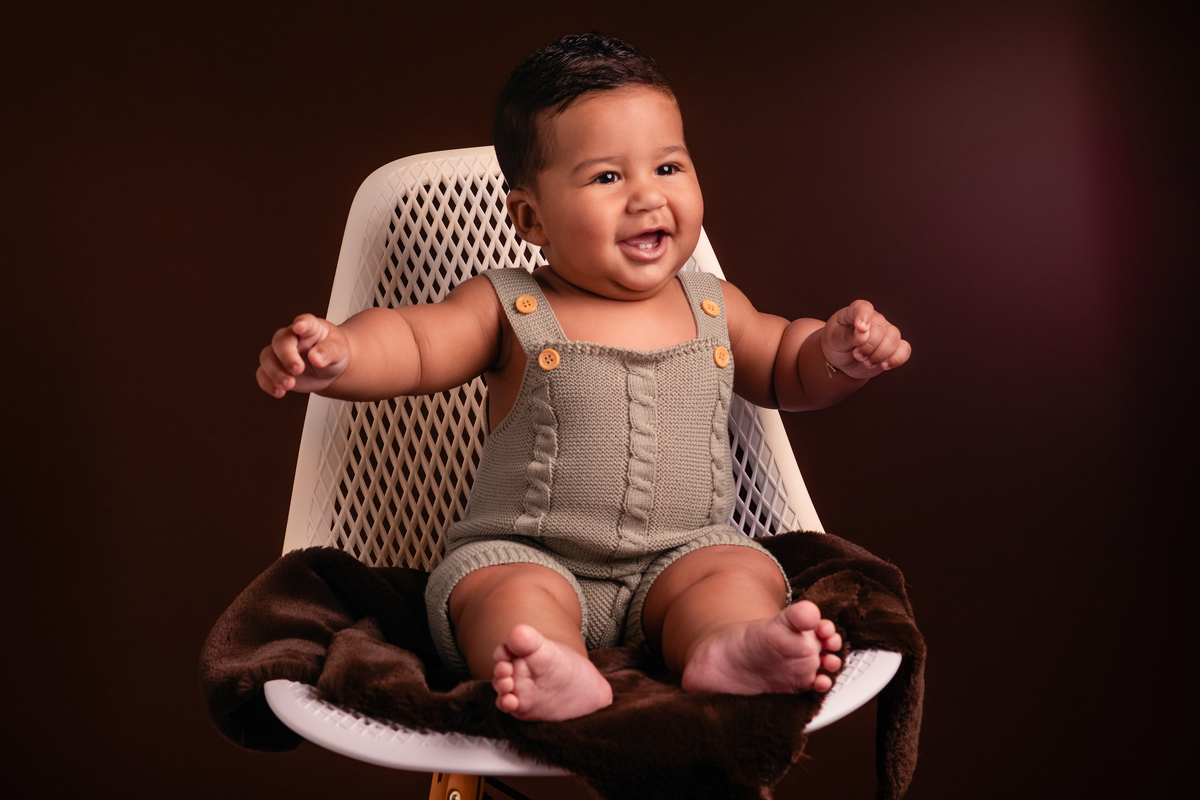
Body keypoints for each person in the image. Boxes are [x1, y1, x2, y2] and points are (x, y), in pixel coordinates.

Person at [256, 34, 911, 723]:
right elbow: (414, 343)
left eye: (667, 166)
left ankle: (727, 646)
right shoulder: (508, 305)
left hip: (681, 557)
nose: (647, 196)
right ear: (530, 218)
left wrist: (835, 353)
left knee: (737, 569)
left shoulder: (715, 304)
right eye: (606, 178)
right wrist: (342, 354)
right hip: (529, 554)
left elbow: (785, 369)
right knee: (497, 592)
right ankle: (548, 663)